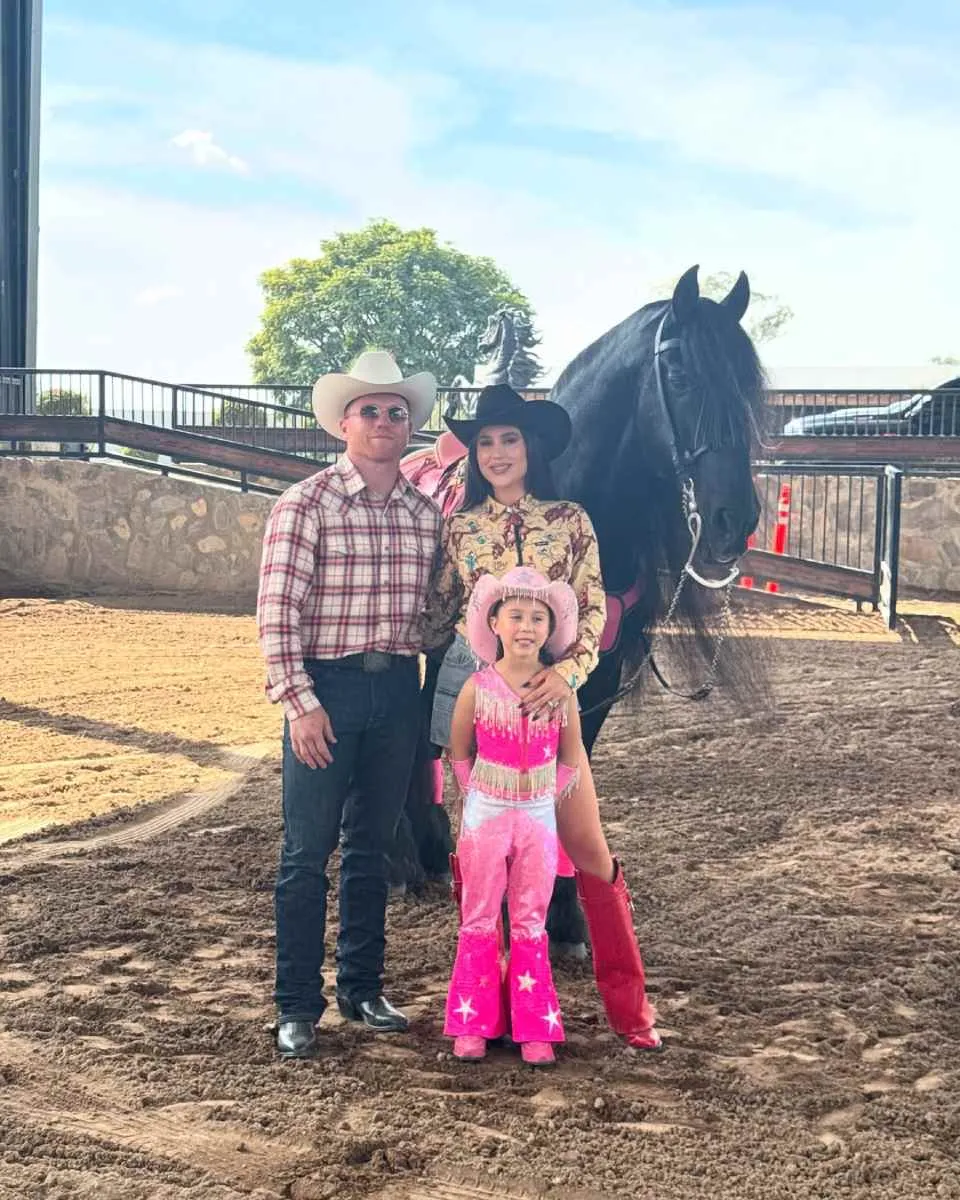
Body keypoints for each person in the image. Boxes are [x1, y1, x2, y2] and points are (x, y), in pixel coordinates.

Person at [423, 383, 661, 1052]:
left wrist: (565, 675)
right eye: (486, 442)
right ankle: (490, 1012)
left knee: (590, 850)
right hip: (488, 710)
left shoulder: (571, 521)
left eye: (510, 439)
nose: (498, 452)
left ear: (531, 448)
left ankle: (630, 1009)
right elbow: (439, 612)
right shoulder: (460, 529)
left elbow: (590, 611)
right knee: (485, 866)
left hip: (554, 714)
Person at [257, 349, 442, 1059]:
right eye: (371, 410)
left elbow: (438, 611)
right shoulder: (303, 504)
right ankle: (296, 1003)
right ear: (344, 423)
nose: (385, 421)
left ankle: (361, 989)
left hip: (398, 688)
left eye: (397, 412)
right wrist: (300, 704)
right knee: (307, 851)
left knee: (373, 848)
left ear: (407, 426)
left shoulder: (427, 517)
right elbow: (278, 616)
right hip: (326, 690)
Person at [444, 567, 581, 1067]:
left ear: (549, 629)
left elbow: (571, 756)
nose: (526, 626)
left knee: (530, 918)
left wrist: (543, 797)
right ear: (495, 623)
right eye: (516, 616)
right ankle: (472, 1021)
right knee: (479, 914)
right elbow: (459, 751)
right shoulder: (477, 689)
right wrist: (481, 796)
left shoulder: (561, 694)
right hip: (488, 815)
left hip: (538, 818)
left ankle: (533, 1024)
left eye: (537, 618)